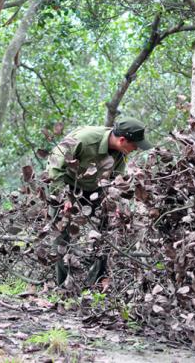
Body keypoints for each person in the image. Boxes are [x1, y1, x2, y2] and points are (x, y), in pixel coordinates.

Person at [46, 116, 153, 286]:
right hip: (66, 184)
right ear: (122, 140)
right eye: (135, 145)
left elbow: (114, 180)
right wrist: (63, 195)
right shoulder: (85, 139)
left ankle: (94, 283)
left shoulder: (120, 152)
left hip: (95, 189)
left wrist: (115, 204)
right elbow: (54, 164)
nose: (135, 149)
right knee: (62, 235)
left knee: (108, 231)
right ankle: (62, 286)